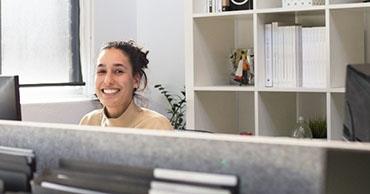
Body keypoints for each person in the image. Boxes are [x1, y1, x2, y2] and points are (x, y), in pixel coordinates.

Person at [80, 40, 173, 130]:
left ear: (136, 80)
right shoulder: (88, 122)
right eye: (102, 71)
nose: (108, 81)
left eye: (118, 71)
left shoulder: (156, 126)